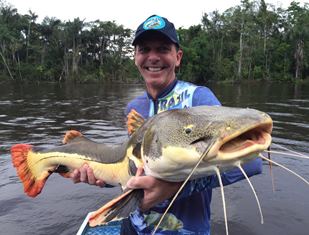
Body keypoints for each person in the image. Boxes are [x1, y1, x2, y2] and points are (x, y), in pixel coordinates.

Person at [70, 15, 262, 235]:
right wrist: (99, 178)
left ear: (177, 57)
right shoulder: (134, 107)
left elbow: (252, 163)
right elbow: (136, 169)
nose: (153, 57)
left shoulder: (198, 98)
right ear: (135, 57)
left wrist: (172, 188)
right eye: (144, 50)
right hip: (134, 225)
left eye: (162, 49)